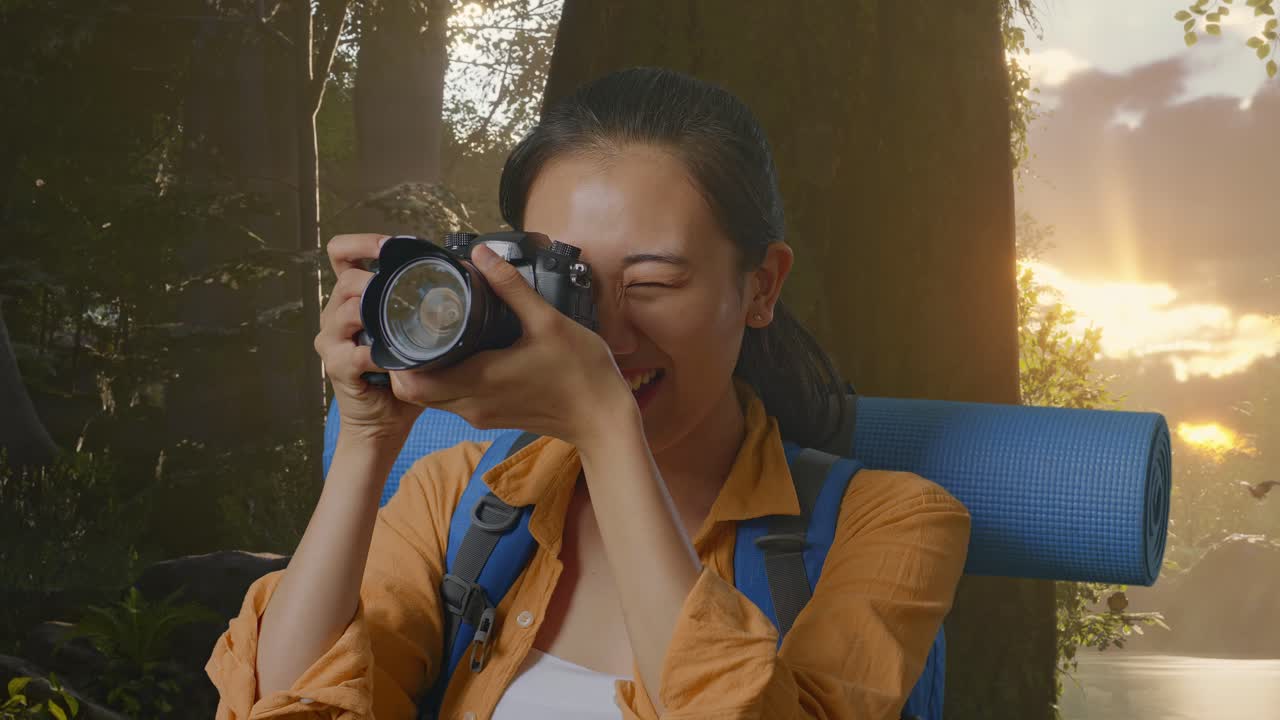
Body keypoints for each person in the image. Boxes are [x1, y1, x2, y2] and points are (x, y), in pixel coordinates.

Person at [205, 66, 971, 720]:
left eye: (652, 283)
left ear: (762, 286)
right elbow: (292, 704)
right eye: (563, 282)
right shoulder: (459, 503)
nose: (600, 331)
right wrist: (369, 436)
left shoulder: (893, 525)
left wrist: (609, 429)